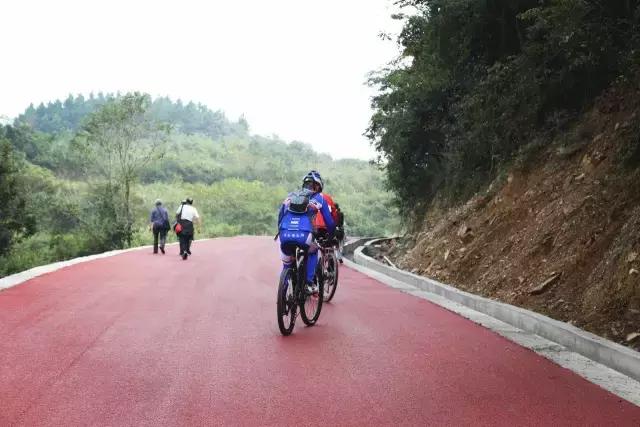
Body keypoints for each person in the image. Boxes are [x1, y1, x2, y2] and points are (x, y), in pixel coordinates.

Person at [278, 170, 335, 295]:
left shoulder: (291, 195)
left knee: (287, 264)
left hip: (284, 235)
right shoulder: (319, 198)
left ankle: (283, 295)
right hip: (304, 235)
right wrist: (330, 237)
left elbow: (280, 214)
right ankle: (308, 283)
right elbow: (330, 223)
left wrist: (280, 232)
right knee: (313, 250)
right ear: (318, 186)